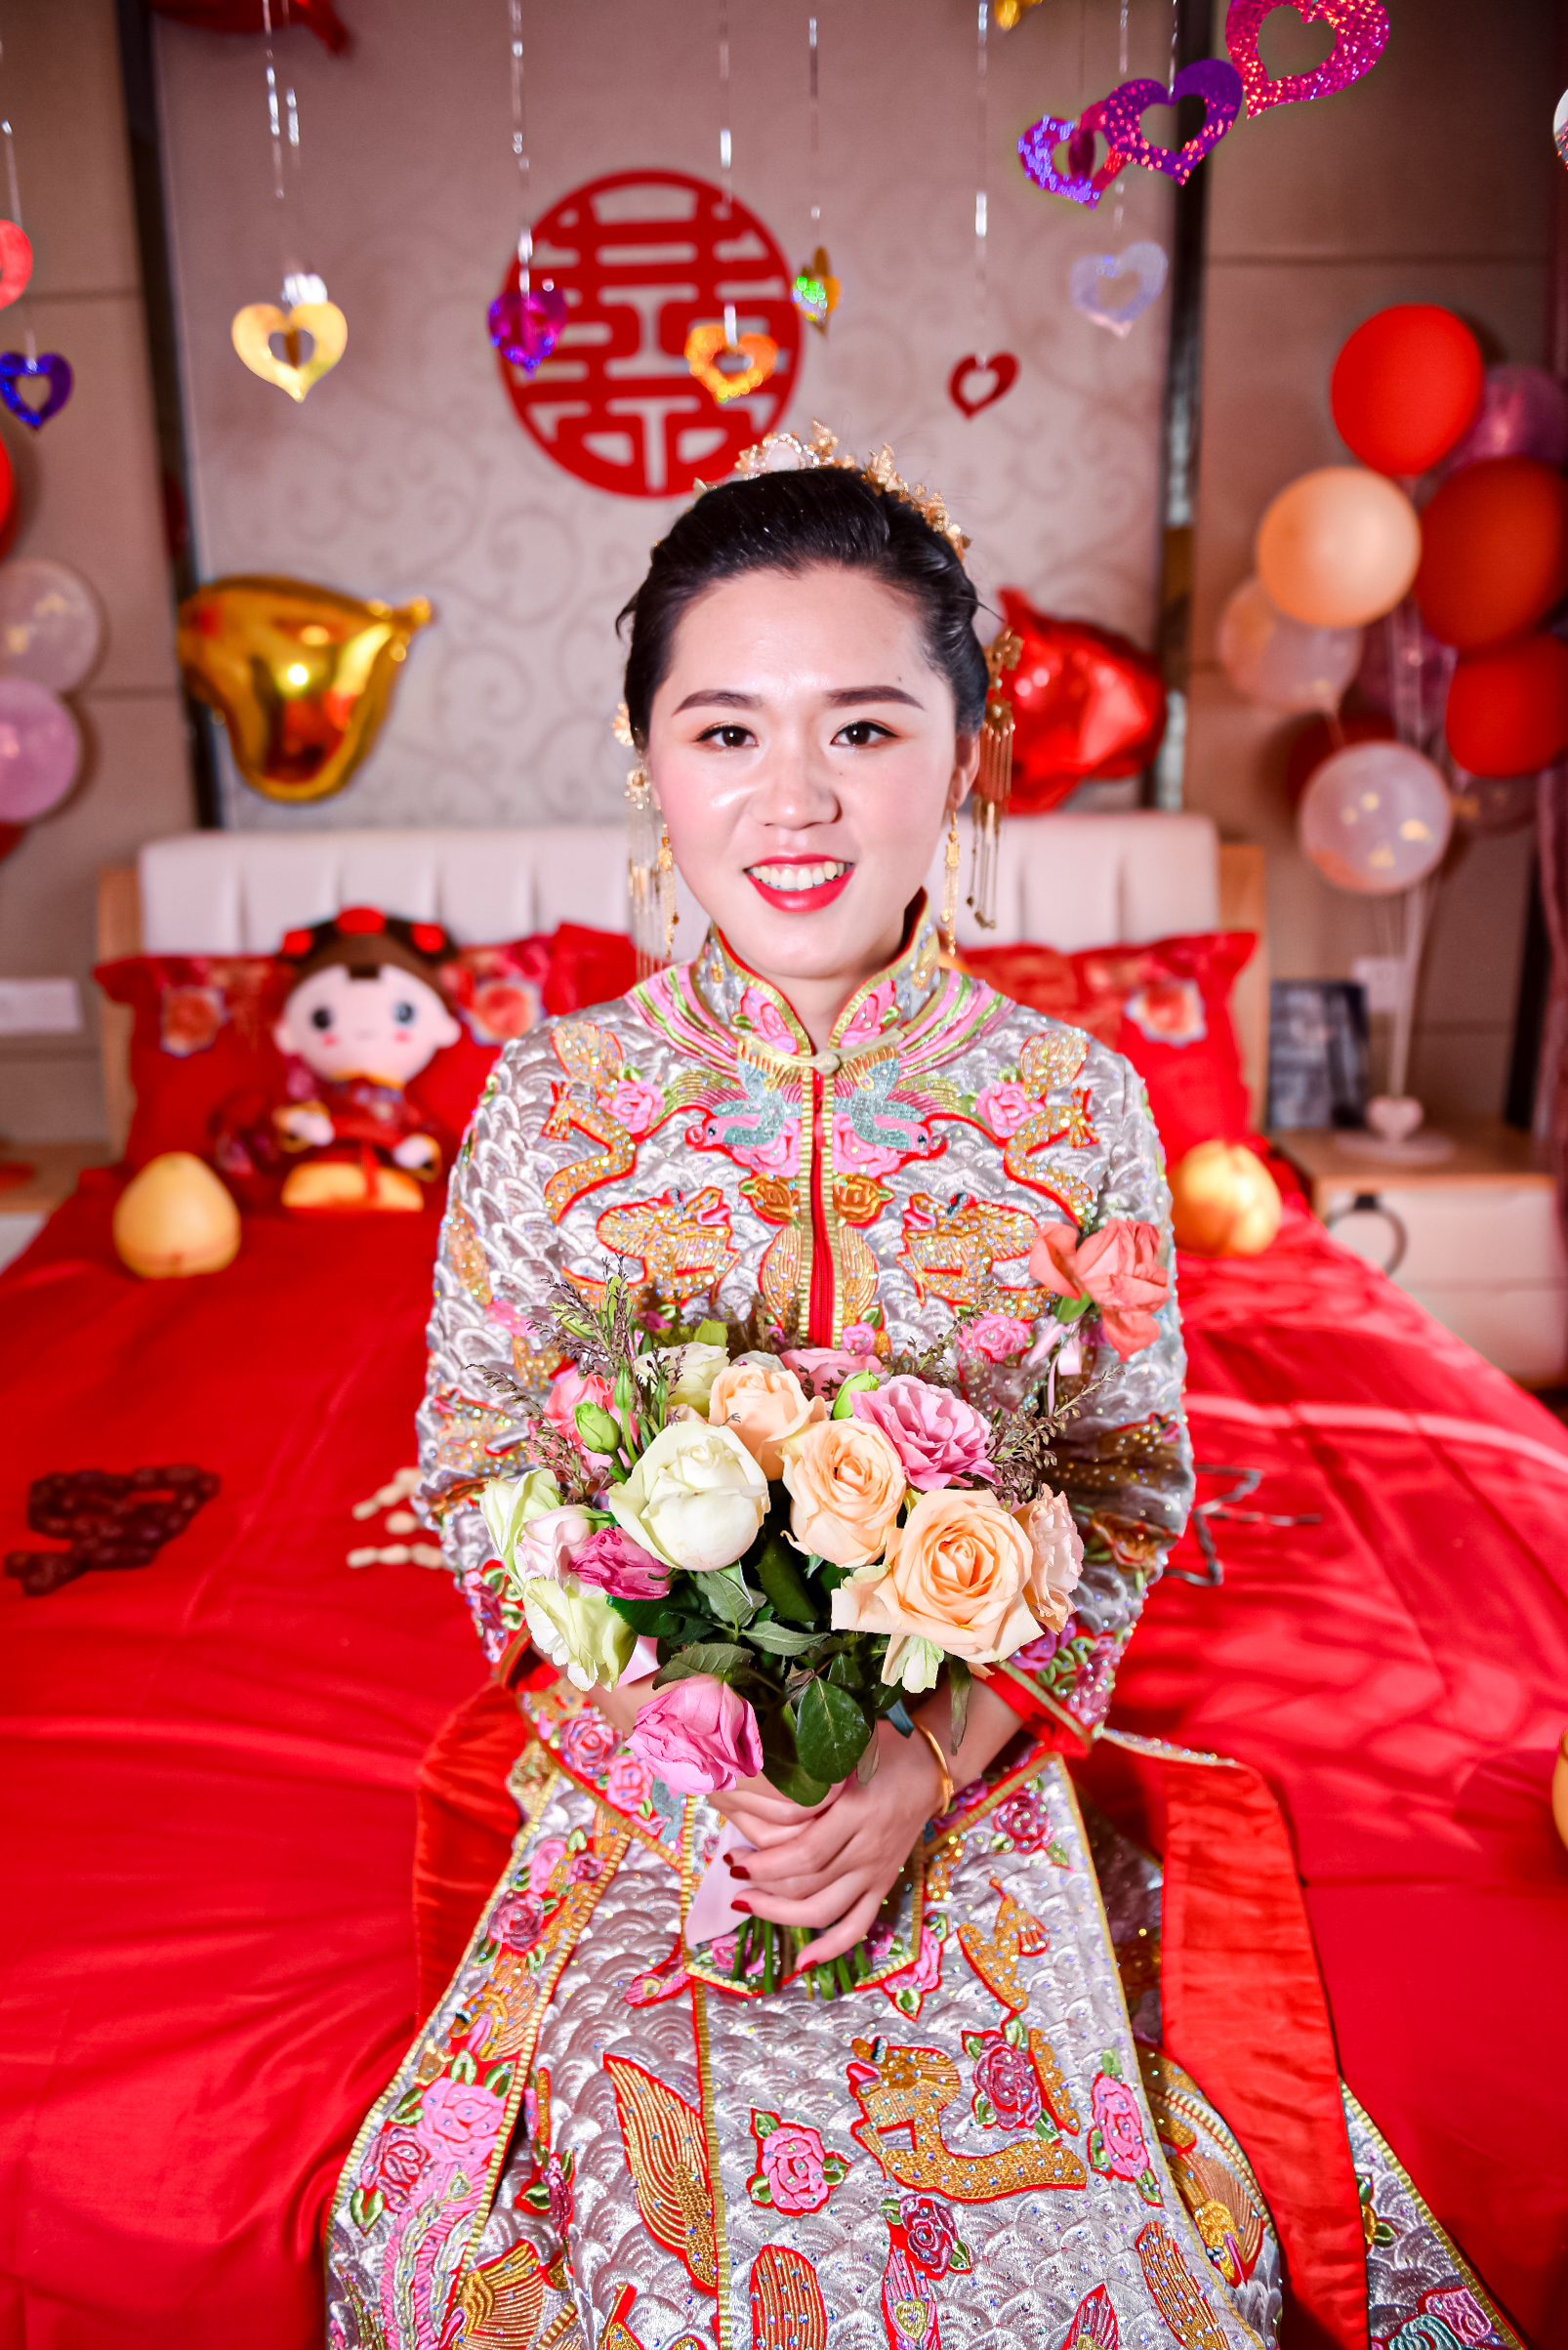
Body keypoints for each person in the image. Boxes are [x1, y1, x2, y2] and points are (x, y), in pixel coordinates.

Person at [324, 430, 1388, 2350]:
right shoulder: (549, 1103)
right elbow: (482, 1467)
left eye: (866, 728)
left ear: (966, 756)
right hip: (653, 1793)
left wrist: (920, 1766)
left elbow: (1122, 1482)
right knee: (598, 2250)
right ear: (647, 760)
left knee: (1069, 2260)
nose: (793, 797)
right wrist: (682, 1736)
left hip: (962, 1778)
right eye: (726, 730)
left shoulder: (1071, 1104)